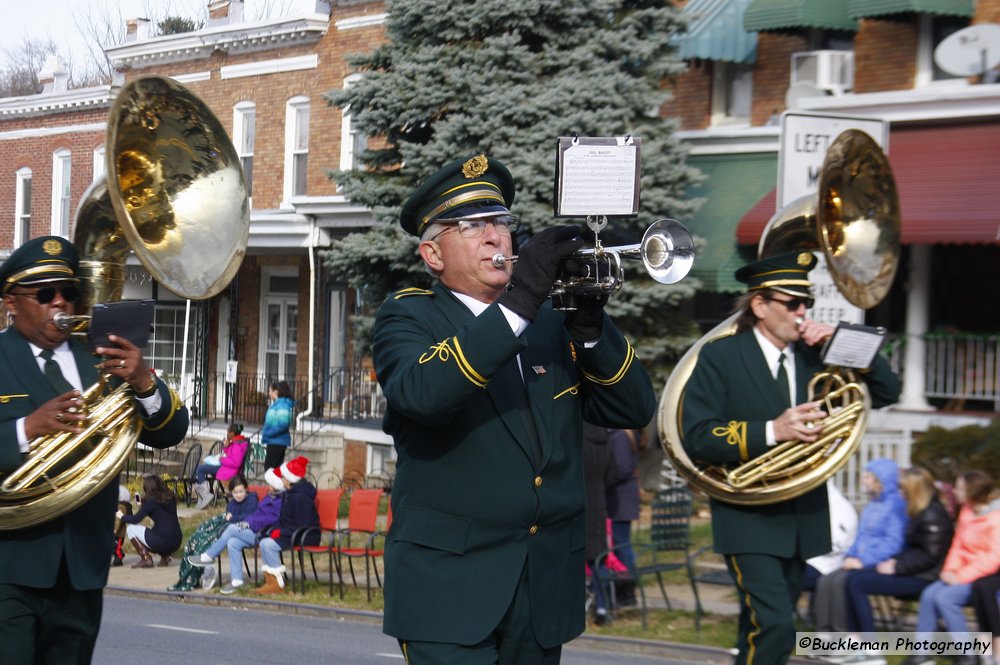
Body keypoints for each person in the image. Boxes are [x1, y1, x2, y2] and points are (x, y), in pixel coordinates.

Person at [372, 154, 656, 664]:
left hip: (543, 587)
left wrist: (591, 331)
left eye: (502, 223)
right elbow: (422, 394)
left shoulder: (550, 320)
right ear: (433, 255)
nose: (495, 237)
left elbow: (632, 407)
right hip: (448, 590)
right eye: (471, 226)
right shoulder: (409, 315)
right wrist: (522, 301)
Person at [681, 251, 901, 665]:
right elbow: (697, 436)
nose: (803, 312)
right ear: (760, 305)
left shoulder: (816, 354)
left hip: (802, 512)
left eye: (807, 304)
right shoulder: (721, 355)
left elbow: (888, 391)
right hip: (748, 515)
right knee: (777, 623)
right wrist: (772, 430)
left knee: (760, 626)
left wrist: (843, 344)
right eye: (793, 303)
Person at [0, 235, 189, 664]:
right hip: (10, 566)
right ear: (11, 301)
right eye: (46, 294)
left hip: (83, 568)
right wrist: (27, 428)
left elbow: (171, 431)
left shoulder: (99, 355)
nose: (61, 304)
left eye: (71, 292)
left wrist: (143, 381)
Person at [903, 470, 1000, 665]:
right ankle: (922, 652)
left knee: (945, 598)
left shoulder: (995, 517)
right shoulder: (967, 511)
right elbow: (957, 545)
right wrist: (949, 570)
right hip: (960, 573)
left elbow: (993, 558)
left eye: (960, 488)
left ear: (973, 491)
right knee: (929, 594)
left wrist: (960, 576)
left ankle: (967, 653)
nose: (954, 491)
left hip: (983, 577)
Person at [843, 466, 953, 635]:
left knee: (857, 583)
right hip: (911, 569)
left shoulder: (933, 515)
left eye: (902, 487)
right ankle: (853, 638)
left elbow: (930, 557)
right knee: (853, 577)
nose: (898, 490)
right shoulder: (919, 512)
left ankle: (866, 643)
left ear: (914, 490)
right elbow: (914, 548)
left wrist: (896, 567)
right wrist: (894, 560)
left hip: (924, 577)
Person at [812, 459, 908, 637]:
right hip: (858, 561)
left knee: (842, 582)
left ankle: (846, 635)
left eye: (868, 477)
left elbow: (893, 543)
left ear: (880, 480)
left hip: (878, 562)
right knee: (826, 581)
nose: (863, 480)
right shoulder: (872, 505)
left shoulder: (896, 506)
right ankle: (825, 634)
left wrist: (863, 561)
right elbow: (860, 538)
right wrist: (850, 556)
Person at [184, 468, 285, 594]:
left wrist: (246, 522)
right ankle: (237, 581)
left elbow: (265, 519)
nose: (268, 487)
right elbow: (256, 516)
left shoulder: (277, 500)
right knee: (232, 542)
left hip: (264, 534)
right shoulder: (269, 498)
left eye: (270, 484)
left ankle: (208, 556)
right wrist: (247, 522)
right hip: (255, 530)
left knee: (231, 529)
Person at [253, 456, 318, 594]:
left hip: (305, 535)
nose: (280, 479)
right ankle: (271, 581)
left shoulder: (301, 497)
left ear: (289, 479)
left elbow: (303, 525)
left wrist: (281, 533)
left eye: (282, 477)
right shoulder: (290, 494)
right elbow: (284, 520)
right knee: (264, 540)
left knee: (269, 545)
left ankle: (277, 584)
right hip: (291, 532)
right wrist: (272, 530)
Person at [581, 423, 616, 626]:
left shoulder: (577, 436)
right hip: (599, 501)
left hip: (579, 500)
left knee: (576, 557)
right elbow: (614, 472)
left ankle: (578, 608)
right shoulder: (606, 438)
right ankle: (603, 606)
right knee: (599, 560)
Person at [606, 428, 644, 609]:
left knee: (621, 544)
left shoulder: (619, 435)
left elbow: (622, 467)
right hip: (621, 498)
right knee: (621, 543)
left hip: (620, 500)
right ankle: (625, 586)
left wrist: (603, 481)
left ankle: (627, 587)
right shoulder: (621, 435)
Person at [117, 474, 183, 568]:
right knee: (158, 530)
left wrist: (121, 516)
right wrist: (142, 505)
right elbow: (158, 513)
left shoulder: (151, 502)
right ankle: (165, 556)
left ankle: (146, 559)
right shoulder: (169, 499)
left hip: (162, 541)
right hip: (176, 541)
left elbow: (135, 519)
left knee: (131, 529)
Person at [193, 422, 249, 510]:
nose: (226, 434)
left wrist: (222, 460)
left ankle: (206, 494)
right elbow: (231, 455)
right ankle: (204, 494)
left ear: (232, 433)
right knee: (202, 468)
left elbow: (236, 462)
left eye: (227, 432)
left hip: (228, 471)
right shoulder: (236, 442)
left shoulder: (237, 445)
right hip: (226, 468)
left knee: (200, 469)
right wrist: (226, 447)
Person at [261, 380, 294, 470]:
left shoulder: (282, 405)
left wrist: (268, 433)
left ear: (276, 392)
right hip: (274, 441)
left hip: (277, 442)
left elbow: (283, 425)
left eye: (270, 391)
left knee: (269, 469)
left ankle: (275, 484)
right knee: (275, 470)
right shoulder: (277, 405)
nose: (269, 393)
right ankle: (276, 484)